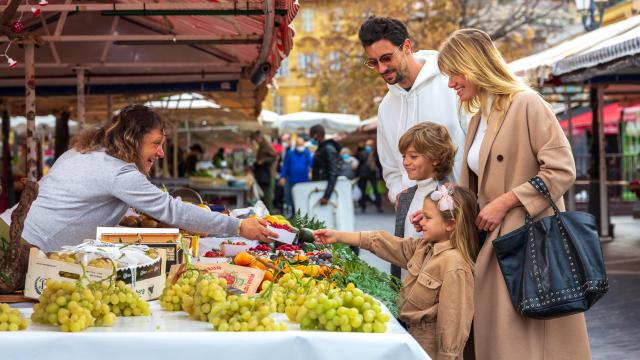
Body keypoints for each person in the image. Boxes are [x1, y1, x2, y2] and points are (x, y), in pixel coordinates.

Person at [438, 29, 590, 359]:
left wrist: (507, 201)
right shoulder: (479, 118)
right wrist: (443, 211)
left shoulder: (527, 103)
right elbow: (477, 185)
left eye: (454, 73)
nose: (450, 83)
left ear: (474, 64)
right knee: (500, 339)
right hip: (494, 240)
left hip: (528, 242)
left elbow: (562, 168)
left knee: (523, 340)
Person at [22, 105, 277, 252]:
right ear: (131, 140)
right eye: (155, 143)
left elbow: (71, 200)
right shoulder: (119, 172)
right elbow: (172, 211)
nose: (161, 152)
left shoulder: (80, 152)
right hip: (22, 248)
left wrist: (119, 215)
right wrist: (239, 227)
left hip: (12, 229)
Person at [314, 184, 478, 359]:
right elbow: (382, 242)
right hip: (412, 340)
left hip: (430, 350)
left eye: (427, 218)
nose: (420, 222)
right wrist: (338, 236)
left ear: (450, 224)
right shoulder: (424, 248)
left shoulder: (455, 265)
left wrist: (447, 356)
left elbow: (453, 323)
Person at [358, 16, 467, 209]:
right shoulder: (385, 108)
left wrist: (466, 196)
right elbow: (391, 167)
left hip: (463, 210)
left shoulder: (452, 86)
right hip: (414, 221)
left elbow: (475, 148)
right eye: (373, 62)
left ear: (407, 47)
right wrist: (398, 194)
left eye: (386, 58)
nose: (381, 68)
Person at [278, 137, 313, 216]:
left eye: (301, 145)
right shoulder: (290, 153)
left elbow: (311, 163)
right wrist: (282, 176)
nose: (300, 147)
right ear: (295, 145)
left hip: (304, 181)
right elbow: (285, 166)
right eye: (298, 145)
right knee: (292, 200)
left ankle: (303, 216)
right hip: (292, 180)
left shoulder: (306, 153)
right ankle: (294, 216)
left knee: (303, 199)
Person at [309, 125, 340, 205]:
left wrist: (326, 196)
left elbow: (333, 173)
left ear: (316, 135)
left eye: (311, 136)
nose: (311, 139)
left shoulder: (328, 148)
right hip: (320, 186)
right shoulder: (321, 148)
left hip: (324, 188)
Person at [251, 131, 277, 211]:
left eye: (256, 139)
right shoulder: (262, 145)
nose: (255, 141)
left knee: (267, 197)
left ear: (260, 138)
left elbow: (274, 156)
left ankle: (270, 215)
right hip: (262, 174)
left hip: (267, 175)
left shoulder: (266, 145)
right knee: (264, 197)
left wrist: (263, 160)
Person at [356, 139, 382, 213]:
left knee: (376, 190)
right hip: (363, 174)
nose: (368, 146)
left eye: (370, 145)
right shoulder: (362, 153)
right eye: (367, 145)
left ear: (373, 145)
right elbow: (359, 164)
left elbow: (379, 166)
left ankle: (378, 206)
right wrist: (358, 175)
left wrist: (380, 176)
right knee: (363, 191)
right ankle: (363, 206)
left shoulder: (376, 154)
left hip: (373, 174)